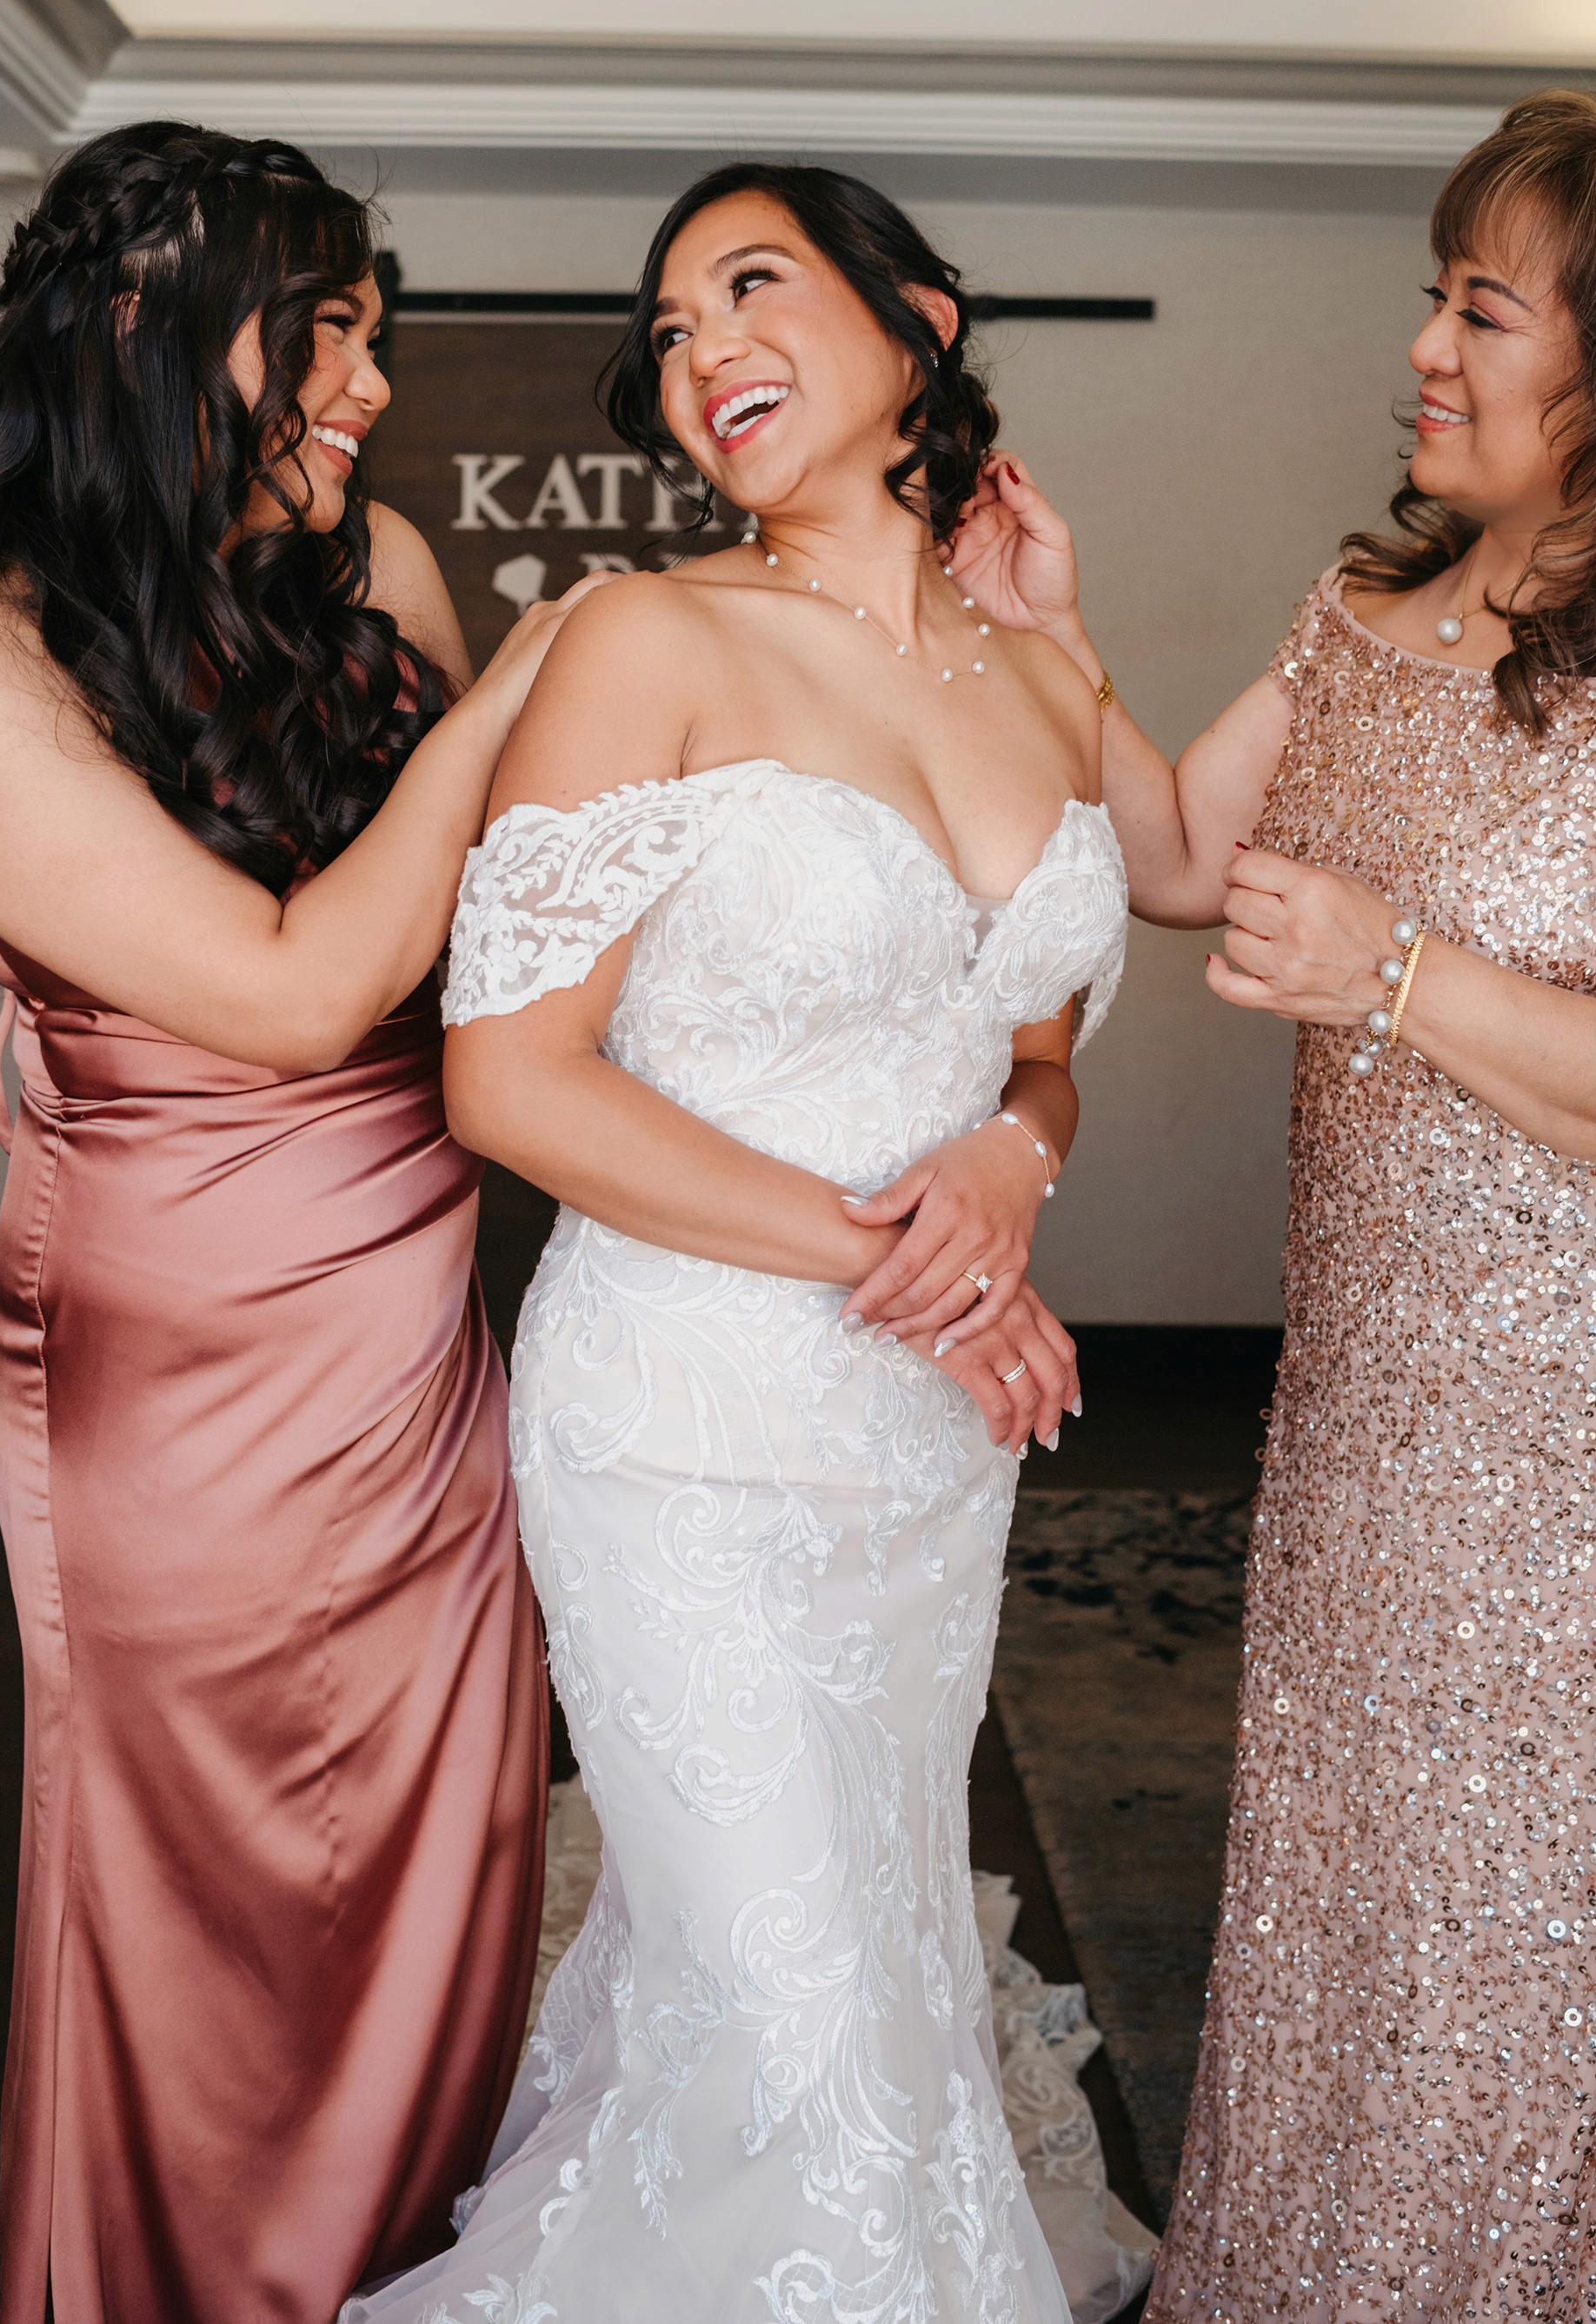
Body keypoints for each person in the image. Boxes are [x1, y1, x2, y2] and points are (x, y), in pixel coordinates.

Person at [344, 161, 1131, 2324]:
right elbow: (511, 1081)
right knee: (808, 2039)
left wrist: (1008, 1171)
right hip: (684, 1425)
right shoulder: (641, 636)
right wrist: (907, 1259)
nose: (700, 356)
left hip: (921, 1454)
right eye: (670, 330)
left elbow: (1037, 1056)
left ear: (922, 325)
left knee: (853, 1978)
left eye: (750, 289)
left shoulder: (1046, 688)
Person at [0, 123, 597, 2323]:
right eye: (330, 343)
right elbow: (302, 994)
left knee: (451, 1854)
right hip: (178, 1379)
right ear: (149, 336)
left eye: (375, 342)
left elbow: (484, 948)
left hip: (419, 1343)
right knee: (204, 1908)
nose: (374, 394)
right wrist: (514, 700)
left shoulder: (377, 562)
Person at [953, 90, 1596, 2320]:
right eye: (1433, 295)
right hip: (1358, 1434)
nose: (1423, 344)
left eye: (1479, 307)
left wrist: (1397, 978)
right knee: (1349, 1911)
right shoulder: (1366, 610)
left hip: (1569, 1467)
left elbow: (1376, 969)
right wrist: (1057, 638)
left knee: (1527, 1946)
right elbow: (1167, 865)